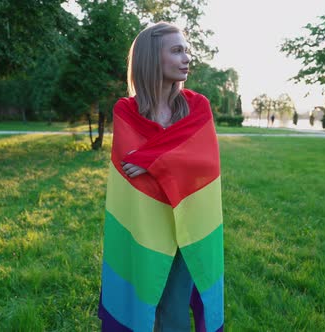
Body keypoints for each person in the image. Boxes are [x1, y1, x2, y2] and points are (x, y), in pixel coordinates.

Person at [98, 22, 224, 332]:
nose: (187, 58)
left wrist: (153, 160)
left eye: (186, 51)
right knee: (141, 301)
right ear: (153, 58)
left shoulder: (197, 107)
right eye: (177, 51)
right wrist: (170, 161)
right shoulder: (126, 111)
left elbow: (205, 162)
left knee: (175, 309)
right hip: (143, 224)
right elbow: (130, 169)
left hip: (187, 222)